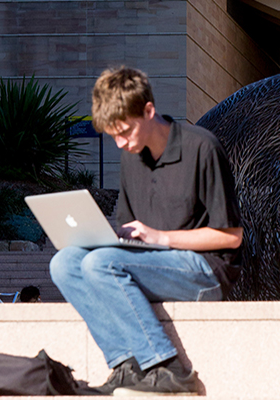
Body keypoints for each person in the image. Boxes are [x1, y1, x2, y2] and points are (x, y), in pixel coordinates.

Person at [49, 66, 243, 396]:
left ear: (149, 111)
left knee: (101, 263)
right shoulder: (132, 158)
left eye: (125, 132)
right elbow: (129, 231)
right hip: (151, 264)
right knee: (64, 263)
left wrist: (161, 237)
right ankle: (126, 365)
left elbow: (232, 236)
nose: (121, 143)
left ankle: (167, 368)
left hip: (205, 271)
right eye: (113, 136)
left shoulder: (202, 148)